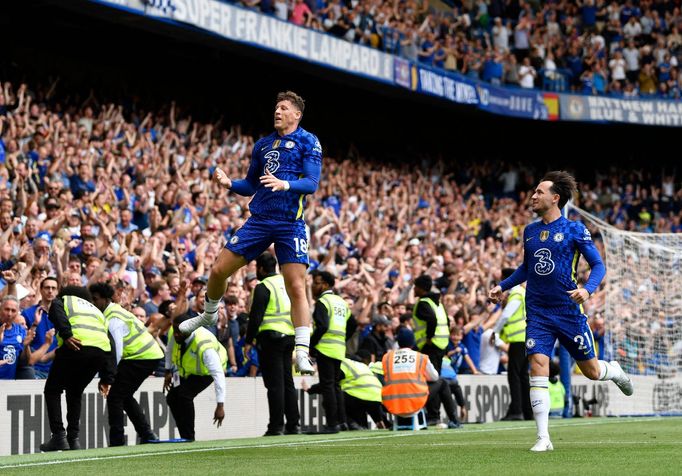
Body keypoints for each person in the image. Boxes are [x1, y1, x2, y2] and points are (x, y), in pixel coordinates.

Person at [179, 91, 323, 376]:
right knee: (218, 271)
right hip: (260, 220)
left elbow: (312, 182)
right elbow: (250, 184)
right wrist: (228, 183)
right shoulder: (263, 145)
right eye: (276, 107)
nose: (277, 111)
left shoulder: (309, 140)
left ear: (297, 114)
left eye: (283, 108)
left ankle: (302, 352)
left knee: (296, 286)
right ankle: (208, 316)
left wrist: (286, 185)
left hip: (289, 223)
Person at [489, 170, 633, 452]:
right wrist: (503, 286)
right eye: (534, 192)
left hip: (568, 310)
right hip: (538, 311)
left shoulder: (575, 230)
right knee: (537, 365)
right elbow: (527, 268)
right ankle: (543, 437)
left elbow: (598, 265)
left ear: (555, 198)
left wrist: (587, 290)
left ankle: (613, 371)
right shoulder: (530, 231)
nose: (533, 195)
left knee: (590, 371)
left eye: (539, 192)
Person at [40, 286, 115, 451]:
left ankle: (59, 436)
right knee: (75, 392)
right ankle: (73, 439)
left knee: (53, 390)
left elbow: (55, 311)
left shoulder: (65, 300)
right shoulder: (96, 311)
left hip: (75, 345)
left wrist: (66, 334)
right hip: (100, 352)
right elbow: (111, 342)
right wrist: (107, 377)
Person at [89, 282, 163, 447]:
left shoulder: (113, 318)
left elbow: (117, 351)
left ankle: (117, 442)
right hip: (145, 355)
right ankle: (146, 434)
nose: (93, 303)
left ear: (105, 299)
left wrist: (108, 377)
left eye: (95, 299)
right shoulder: (112, 312)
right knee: (124, 395)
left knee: (115, 397)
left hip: (142, 356)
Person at [244, 252, 300, 436]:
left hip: (271, 338)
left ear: (260, 268)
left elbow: (255, 317)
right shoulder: (286, 283)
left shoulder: (263, 286)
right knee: (287, 382)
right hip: (289, 336)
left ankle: (276, 426)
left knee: (275, 384)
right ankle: (293, 424)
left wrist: (248, 341)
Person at [164, 313, 227, 442]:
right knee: (171, 398)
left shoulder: (204, 345)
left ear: (190, 329)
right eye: (174, 330)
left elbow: (218, 375)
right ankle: (184, 435)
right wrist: (167, 371)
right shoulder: (176, 330)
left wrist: (220, 405)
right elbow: (169, 349)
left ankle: (188, 437)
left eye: (179, 332)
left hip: (206, 372)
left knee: (184, 395)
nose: (175, 334)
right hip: (187, 370)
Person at [309, 270, 351, 433]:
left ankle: (332, 424)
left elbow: (323, 326)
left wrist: (312, 345)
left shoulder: (323, 302)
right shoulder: (341, 302)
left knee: (328, 386)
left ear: (325, 285)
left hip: (326, 348)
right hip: (339, 348)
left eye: (316, 283)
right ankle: (342, 422)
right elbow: (352, 323)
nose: (313, 286)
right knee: (335, 386)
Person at [493, 268, 532, 421]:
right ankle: (527, 411)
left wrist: (494, 332)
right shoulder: (522, 292)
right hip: (525, 338)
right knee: (523, 376)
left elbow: (506, 315)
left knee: (514, 376)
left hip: (517, 340)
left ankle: (516, 411)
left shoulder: (516, 293)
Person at [381, 339, 439, 419]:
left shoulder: (387, 357)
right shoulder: (420, 357)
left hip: (392, 404)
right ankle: (437, 417)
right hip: (416, 402)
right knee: (442, 382)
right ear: (412, 343)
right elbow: (435, 377)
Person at [0, 296, 28, 380]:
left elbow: (24, 361)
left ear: (18, 312)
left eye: (13, 310)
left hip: (10, 384)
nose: (9, 314)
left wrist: (26, 346)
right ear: (0, 309)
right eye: (7, 309)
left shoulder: (20, 330)